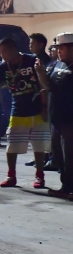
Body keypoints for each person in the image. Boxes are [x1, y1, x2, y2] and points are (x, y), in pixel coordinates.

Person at [0, 37, 50, 188]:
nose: (2, 55)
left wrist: (45, 107)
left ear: (13, 49)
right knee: (12, 144)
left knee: (39, 145)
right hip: (18, 110)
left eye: (4, 52)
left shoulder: (32, 60)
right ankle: (11, 175)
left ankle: (40, 176)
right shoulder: (3, 67)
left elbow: (43, 85)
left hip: (37, 109)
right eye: (0, 52)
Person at [35, 33, 73, 198]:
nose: (59, 52)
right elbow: (48, 86)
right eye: (57, 48)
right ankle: (65, 186)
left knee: (71, 155)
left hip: (70, 120)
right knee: (59, 156)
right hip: (56, 118)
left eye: (62, 48)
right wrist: (41, 74)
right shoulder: (56, 65)